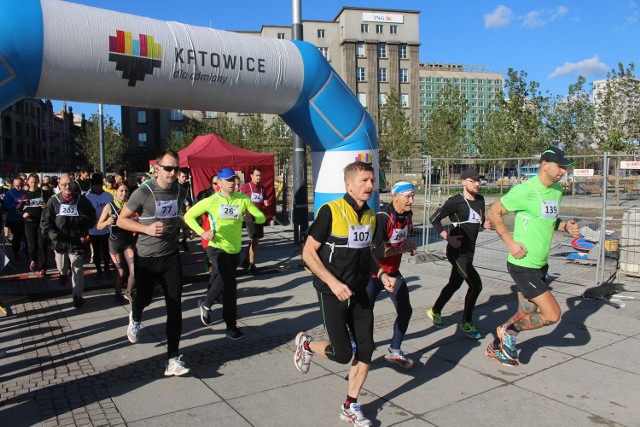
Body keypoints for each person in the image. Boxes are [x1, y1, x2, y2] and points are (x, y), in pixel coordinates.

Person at [294, 161, 396, 427]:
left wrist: (382, 274)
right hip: (332, 292)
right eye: (363, 181)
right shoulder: (331, 211)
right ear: (348, 184)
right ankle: (306, 344)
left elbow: (368, 254)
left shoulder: (372, 215)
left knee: (366, 349)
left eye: (372, 180)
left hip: (360, 290)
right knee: (341, 354)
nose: (370, 186)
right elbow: (307, 253)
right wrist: (333, 282)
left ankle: (350, 405)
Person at [486, 147, 581, 367]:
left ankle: (497, 346)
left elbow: (548, 219)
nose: (562, 172)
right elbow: (493, 211)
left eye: (565, 168)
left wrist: (565, 225)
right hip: (522, 264)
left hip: (540, 264)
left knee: (526, 310)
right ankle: (506, 333)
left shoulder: (557, 190)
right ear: (545, 165)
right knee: (552, 315)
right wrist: (510, 243)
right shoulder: (525, 190)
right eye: (559, 167)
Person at [117, 149, 190, 376]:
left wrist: (185, 227)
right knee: (145, 298)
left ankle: (172, 359)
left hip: (170, 255)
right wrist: (145, 228)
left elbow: (174, 216)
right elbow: (121, 220)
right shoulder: (144, 191)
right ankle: (136, 315)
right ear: (157, 168)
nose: (172, 172)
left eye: (175, 168)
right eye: (168, 168)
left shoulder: (180, 190)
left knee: (175, 304)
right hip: (147, 257)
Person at [184, 167, 265, 340]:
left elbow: (261, 216)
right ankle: (230, 325)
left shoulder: (242, 199)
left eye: (233, 179)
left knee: (224, 282)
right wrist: (202, 232)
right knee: (229, 281)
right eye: (228, 180)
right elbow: (188, 216)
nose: (232, 183)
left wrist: (252, 218)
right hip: (216, 246)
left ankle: (207, 304)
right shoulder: (211, 201)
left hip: (234, 248)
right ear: (219, 183)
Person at [427, 168, 489, 339]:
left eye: (479, 181)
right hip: (456, 251)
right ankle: (467, 322)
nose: (477, 184)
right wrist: (448, 238)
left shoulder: (481, 200)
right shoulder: (455, 202)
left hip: (470, 251)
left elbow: (479, 221)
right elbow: (434, 219)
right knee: (476, 285)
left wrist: (486, 224)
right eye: (473, 180)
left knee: (454, 284)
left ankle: (435, 310)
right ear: (463, 182)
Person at [367, 181, 418, 369]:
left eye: (413, 196)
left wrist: (409, 247)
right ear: (395, 196)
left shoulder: (407, 215)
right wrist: (400, 250)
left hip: (393, 273)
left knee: (406, 310)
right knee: (365, 313)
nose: (411, 201)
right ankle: (362, 348)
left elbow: (402, 240)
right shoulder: (382, 217)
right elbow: (375, 251)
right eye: (407, 196)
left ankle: (394, 351)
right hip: (374, 274)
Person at [40, 174, 96, 308]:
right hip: (59, 241)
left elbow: (92, 217)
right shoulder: (53, 202)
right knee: (62, 266)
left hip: (76, 240)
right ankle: (62, 274)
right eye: (64, 184)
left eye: (70, 184)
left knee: (77, 268)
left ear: (73, 185)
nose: (67, 187)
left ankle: (77, 296)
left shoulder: (81, 201)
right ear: (59, 186)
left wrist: (84, 226)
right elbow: (45, 222)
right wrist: (51, 232)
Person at [97, 182, 136, 303]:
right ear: (116, 192)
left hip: (128, 241)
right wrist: (107, 222)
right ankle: (117, 294)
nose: (124, 194)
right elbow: (98, 226)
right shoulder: (110, 206)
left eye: (126, 191)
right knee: (121, 272)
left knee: (134, 269)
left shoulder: (130, 205)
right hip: (115, 242)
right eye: (121, 191)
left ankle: (128, 292)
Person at [239, 167, 270, 275]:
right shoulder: (245, 187)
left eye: (260, 175)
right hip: (249, 217)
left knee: (256, 242)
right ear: (251, 176)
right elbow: (237, 196)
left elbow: (264, 200)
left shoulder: (262, 188)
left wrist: (266, 203)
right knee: (254, 240)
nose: (259, 177)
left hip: (259, 217)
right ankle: (251, 264)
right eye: (256, 175)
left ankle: (245, 261)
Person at [86, 173, 114, 282]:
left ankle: (107, 268)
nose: (97, 187)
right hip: (94, 229)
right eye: (95, 185)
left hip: (107, 228)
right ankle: (98, 270)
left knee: (106, 250)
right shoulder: (88, 197)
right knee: (96, 251)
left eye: (99, 185)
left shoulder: (108, 196)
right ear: (92, 186)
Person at [22, 173, 51, 275]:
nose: (33, 184)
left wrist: (46, 207)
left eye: (35, 182)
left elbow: (50, 207)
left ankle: (43, 267)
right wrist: (23, 213)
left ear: (38, 182)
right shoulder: (24, 195)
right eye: (31, 182)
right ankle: (33, 260)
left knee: (42, 244)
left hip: (41, 223)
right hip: (29, 223)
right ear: (27, 182)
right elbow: (17, 208)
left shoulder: (44, 193)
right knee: (32, 246)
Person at [3, 177, 26, 259]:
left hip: (24, 218)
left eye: (20, 185)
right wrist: (17, 205)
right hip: (14, 218)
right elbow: (7, 206)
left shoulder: (25, 192)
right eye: (17, 186)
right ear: (13, 184)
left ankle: (27, 253)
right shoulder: (9, 193)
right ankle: (16, 253)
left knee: (26, 237)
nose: (19, 187)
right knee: (17, 236)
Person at [177, 168, 192, 252]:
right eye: (183, 176)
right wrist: (187, 204)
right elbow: (183, 198)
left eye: (185, 176)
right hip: (179, 210)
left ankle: (184, 241)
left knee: (187, 228)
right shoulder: (176, 186)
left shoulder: (187, 184)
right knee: (177, 229)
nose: (184, 178)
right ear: (178, 177)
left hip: (186, 209)